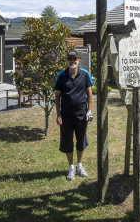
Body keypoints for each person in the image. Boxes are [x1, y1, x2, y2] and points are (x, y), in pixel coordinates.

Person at [54, 50, 93, 181]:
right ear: (67, 61)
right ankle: (71, 167)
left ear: (78, 61)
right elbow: (57, 96)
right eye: (70, 59)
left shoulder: (85, 74)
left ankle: (79, 166)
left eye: (74, 59)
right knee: (67, 141)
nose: (72, 61)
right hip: (66, 116)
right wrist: (58, 114)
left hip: (81, 114)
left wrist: (90, 110)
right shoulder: (61, 76)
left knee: (81, 140)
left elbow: (89, 93)